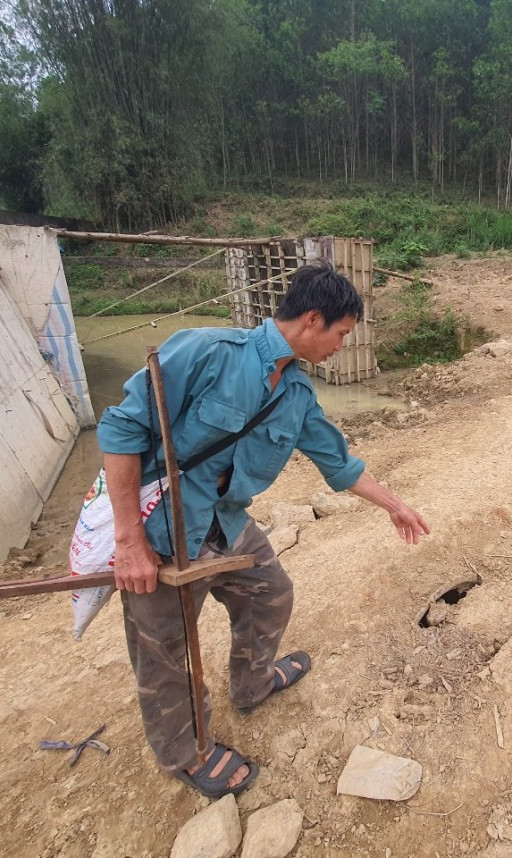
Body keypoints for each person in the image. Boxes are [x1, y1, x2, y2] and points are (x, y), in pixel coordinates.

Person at [95, 261, 430, 798]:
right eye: (342, 334)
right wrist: (128, 540)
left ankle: (251, 685)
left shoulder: (296, 393)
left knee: (271, 595)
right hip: (161, 531)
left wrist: (395, 505)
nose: (342, 346)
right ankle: (186, 754)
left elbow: (339, 462)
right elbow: (121, 428)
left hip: (226, 526)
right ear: (313, 320)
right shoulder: (205, 351)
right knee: (164, 652)